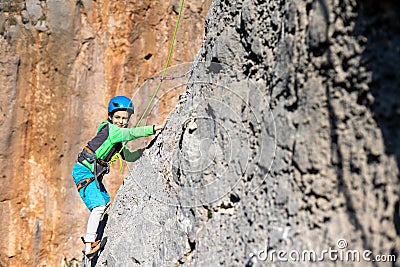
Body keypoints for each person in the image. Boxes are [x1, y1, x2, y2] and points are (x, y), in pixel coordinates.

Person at [71, 96, 163, 257]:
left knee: (105, 202)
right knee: (99, 206)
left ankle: (96, 232)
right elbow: (132, 133)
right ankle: (89, 244)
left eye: (124, 118)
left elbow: (128, 156)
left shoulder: (117, 138)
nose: (121, 121)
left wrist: (146, 150)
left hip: (93, 175)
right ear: (110, 118)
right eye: (117, 117)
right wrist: (153, 128)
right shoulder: (111, 130)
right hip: (84, 172)